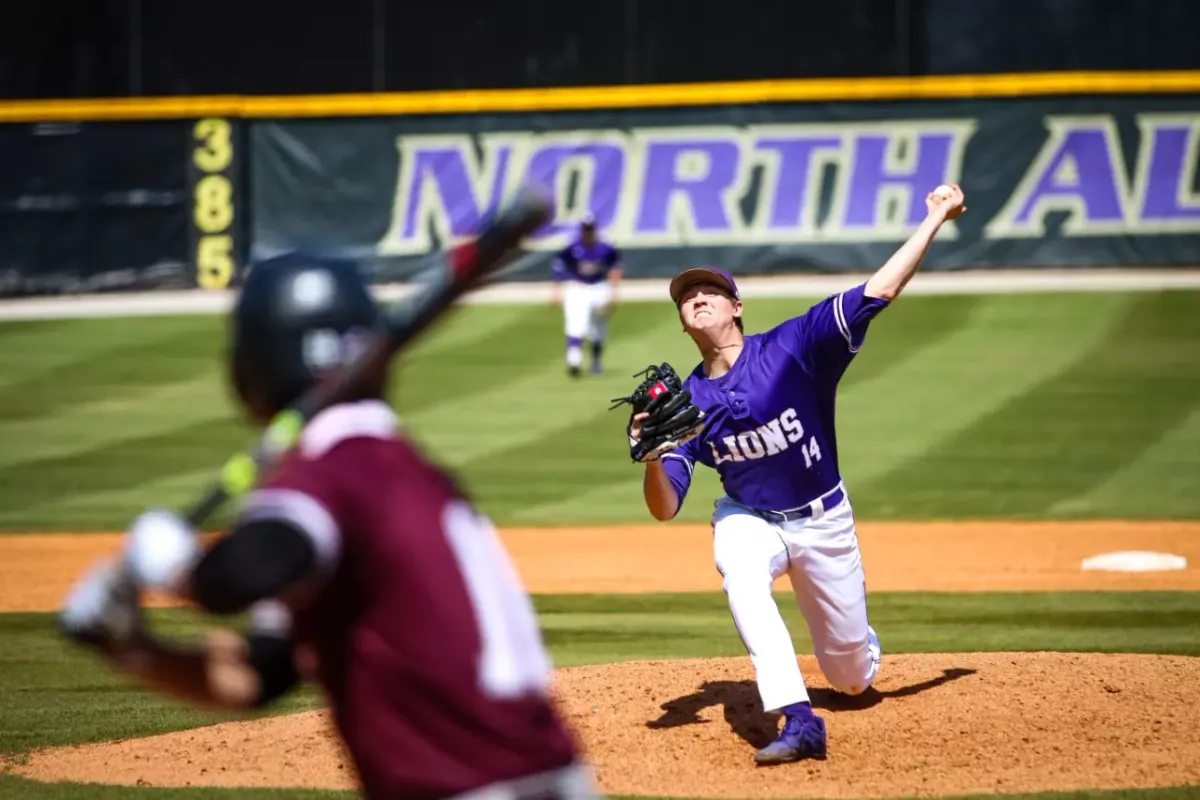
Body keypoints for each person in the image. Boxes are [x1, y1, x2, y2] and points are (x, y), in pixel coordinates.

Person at [58, 253, 597, 799]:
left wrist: (170, 564)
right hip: (547, 777)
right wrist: (130, 647)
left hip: (463, 787)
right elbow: (259, 677)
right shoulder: (394, 464)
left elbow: (234, 578)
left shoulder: (333, 468)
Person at [629, 185, 967, 766]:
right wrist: (655, 455)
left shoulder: (793, 347)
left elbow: (879, 290)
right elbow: (664, 507)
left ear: (737, 307)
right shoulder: (684, 404)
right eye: (688, 297)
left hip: (823, 521)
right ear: (683, 323)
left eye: (711, 290)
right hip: (750, 517)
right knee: (739, 570)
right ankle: (799, 717)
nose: (699, 298)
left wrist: (936, 216)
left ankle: (858, 653)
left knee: (852, 679)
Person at [550, 214, 622, 377]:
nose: (588, 232)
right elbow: (559, 266)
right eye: (585, 229)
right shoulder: (572, 247)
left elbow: (615, 267)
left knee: (598, 326)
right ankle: (574, 361)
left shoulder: (605, 248)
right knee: (575, 322)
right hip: (577, 287)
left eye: (590, 229)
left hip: (599, 287)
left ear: (595, 230)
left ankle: (596, 362)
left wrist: (614, 293)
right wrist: (556, 290)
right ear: (581, 230)